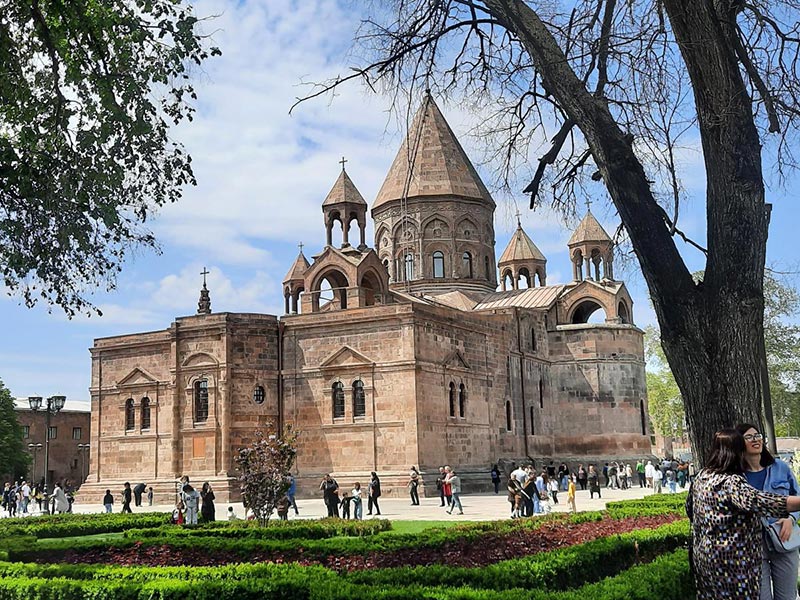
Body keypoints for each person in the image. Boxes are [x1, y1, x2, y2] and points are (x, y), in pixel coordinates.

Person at [688, 428, 800, 600]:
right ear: (735, 452)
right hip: (734, 562)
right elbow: (761, 501)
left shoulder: (702, 476)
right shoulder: (732, 481)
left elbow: (689, 509)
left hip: (705, 557)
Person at [736, 423, 800, 600]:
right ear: (739, 443)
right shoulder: (736, 477)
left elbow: (797, 497)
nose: (755, 440)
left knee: (787, 597)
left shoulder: (780, 467)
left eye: (757, 436)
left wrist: (791, 519)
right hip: (753, 546)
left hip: (784, 540)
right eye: (748, 437)